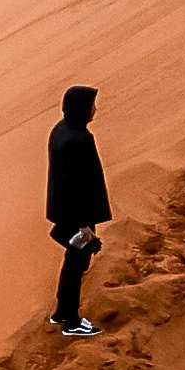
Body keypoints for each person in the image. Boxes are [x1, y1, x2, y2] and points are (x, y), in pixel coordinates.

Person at [46, 83, 110, 338]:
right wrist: (84, 225)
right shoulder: (77, 139)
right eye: (91, 105)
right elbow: (72, 184)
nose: (95, 109)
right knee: (77, 263)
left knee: (73, 261)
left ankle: (61, 312)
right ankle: (71, 322)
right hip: (77, 214)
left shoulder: (61, 130)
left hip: (67, 211)